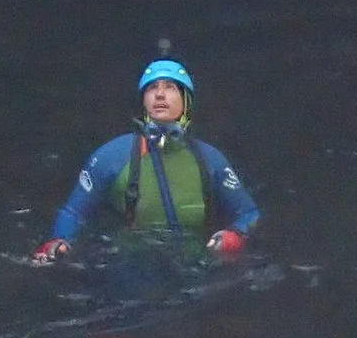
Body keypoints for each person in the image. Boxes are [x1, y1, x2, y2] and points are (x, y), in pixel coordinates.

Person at [32, 56, 259, 264]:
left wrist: (234, 236)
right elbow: (74, 212)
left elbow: (249, 214)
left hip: (196, 263)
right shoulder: (112, 156)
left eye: (170, 87)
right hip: (132, 263)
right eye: (152, 88)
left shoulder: (210, 160)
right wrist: (57, 241)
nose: (159, 94)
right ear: (144, 101)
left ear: (186, 101)